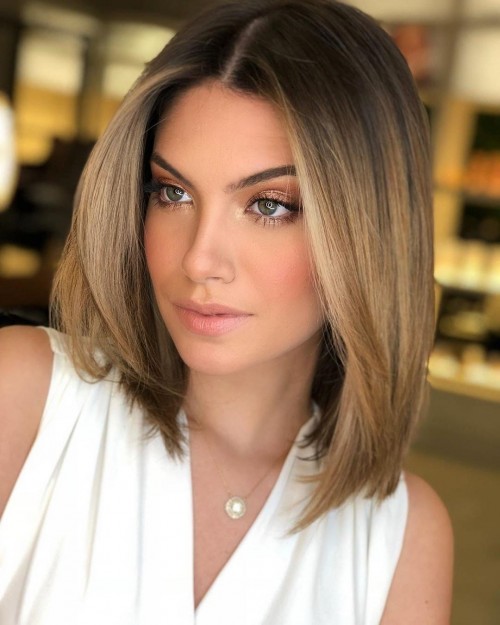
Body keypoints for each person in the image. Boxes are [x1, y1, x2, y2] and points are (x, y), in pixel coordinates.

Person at [0, 0, 453, 623]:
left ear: (368, 234)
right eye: (172, 192)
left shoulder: (399, 538)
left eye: (269, 205)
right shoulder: (26, 397)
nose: (199, 259)